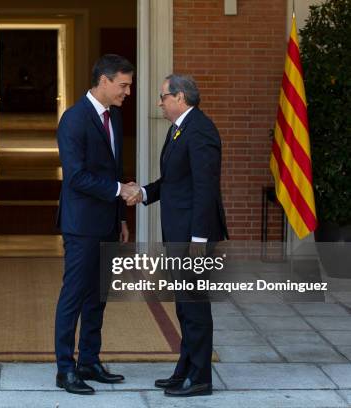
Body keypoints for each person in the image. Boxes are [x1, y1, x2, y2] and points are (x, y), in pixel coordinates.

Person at [127, 74, 228, 397]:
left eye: (163, 96)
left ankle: (200, 378)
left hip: (192, 238)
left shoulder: (200, 131)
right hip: (178, 234)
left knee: (195, 307)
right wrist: (143, 192)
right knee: (185, 306)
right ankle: (185, 368)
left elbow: (205, 189)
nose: (160, 102)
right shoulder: (179, 129)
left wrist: (199, 241)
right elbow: (173, 181)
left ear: (180, 97)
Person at [54, 54, 140, 395]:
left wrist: (120, 216)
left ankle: (89, 360)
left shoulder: (114, 118)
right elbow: (76, 177)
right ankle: (65, 369)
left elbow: (114, 170)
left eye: (128, 85)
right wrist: (121, 191)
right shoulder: (73, 120)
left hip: (107, 222)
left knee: (98, 298)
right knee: (73, 296)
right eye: (123, 85)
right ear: (103, 81)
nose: (127, 92)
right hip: (81, 225)